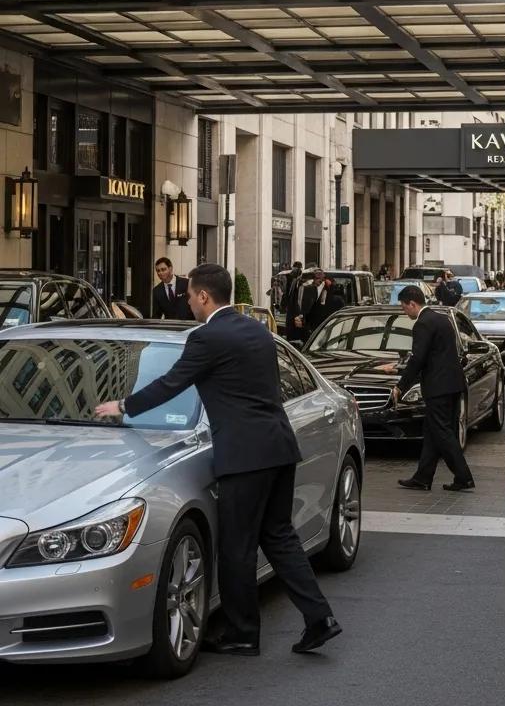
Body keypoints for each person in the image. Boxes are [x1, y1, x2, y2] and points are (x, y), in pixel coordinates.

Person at [94, 264, 341, 656]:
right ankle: (320, 618)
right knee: (279, 537)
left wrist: (123, 406)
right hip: (278, 446)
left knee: (236, 546)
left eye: (190, 296)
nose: (188, 302)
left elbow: (171, 383)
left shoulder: (207, 338)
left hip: (244, 456)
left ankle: (243, 633)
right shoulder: (257, 331)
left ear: (204, 297)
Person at [391, 286, 475, 492]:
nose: (404, 312)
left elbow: (418, 359)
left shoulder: (422, 324)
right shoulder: (442, 319)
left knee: (443, 433)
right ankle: (423, 477)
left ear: (412, 303)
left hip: (438, 387)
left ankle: (464, 477)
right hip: (453, 384)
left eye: (404, 307)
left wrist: (401, 386)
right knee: (433, 433)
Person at [295, 268, 335, 339]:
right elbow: (302, 303)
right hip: (308, 320)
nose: (318, 280)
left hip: (320, 320)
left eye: (320, 278)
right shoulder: (308, 288)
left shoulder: (326, 288)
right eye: (316, 278)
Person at [283, 261, 304, 343]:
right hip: (292, 308)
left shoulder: (299, 280)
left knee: (294, 329)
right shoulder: (291, 278)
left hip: (295, 309)